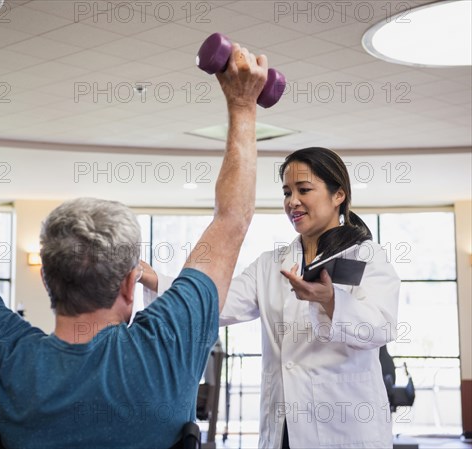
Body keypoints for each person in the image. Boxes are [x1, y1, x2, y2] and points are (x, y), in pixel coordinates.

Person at [0, 43, 268, 449]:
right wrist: (243, 106)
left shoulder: (9, 360)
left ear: (46, 279)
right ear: (131, 286)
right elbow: (232, 219)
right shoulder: (169, 345)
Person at [140, 147, 400, 448]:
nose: (292, 202)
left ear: (338, 195)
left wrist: (330, 301)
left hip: (345, 429)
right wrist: (154, 279)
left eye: (304, 190)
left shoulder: (367, 256)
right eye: (287, 192)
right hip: (283, 427)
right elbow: (217, 302)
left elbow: (381, 327)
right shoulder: (270, 264)